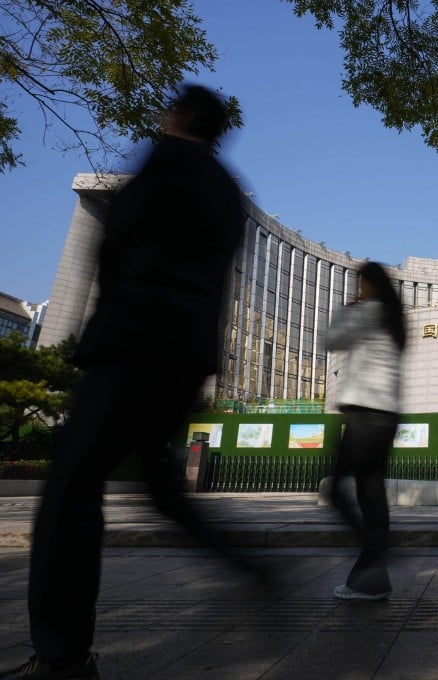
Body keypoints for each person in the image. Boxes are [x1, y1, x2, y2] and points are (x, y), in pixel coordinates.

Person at [2, 85, 249, 680]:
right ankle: (255, 568)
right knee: (160, 488)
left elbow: (116, 246)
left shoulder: (164, 162)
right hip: (185, 355)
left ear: (181, 117)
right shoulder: (228, 193)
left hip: (132, 344)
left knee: (70, 489)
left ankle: (61, 656)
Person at [325, 261, 406, 601]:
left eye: (361, 284)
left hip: (363, 417)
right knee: (371, 496)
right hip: (387, 417)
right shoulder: (395, 321)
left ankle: (379, 551)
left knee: (336, 490)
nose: (359, 291)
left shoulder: (366, 312)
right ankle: (371, 580)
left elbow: (332, 340)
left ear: (370, 285)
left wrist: (346, 312)